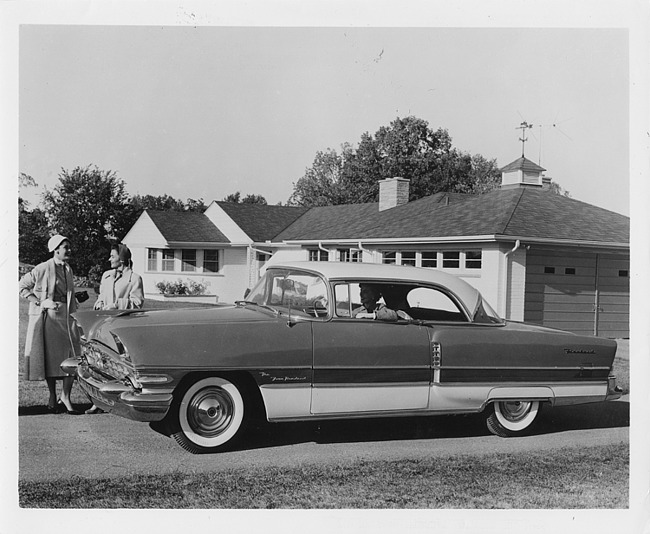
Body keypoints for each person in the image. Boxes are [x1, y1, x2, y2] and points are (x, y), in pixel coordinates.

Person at [19, 235, 83, 414]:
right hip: (51, 318)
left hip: (68, 317)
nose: (69, 250)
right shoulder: (43, 268)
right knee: (53, 358)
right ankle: (52, 396)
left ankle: (66, 396)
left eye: (69, 247)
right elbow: (22, 286)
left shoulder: (68, 269)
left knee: (71, 357)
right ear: (56, 250)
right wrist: (40, 302)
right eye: (65, 247)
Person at [86, 243, 144, 414]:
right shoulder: (106, 276)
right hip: (103, 325)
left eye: (112, 256)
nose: (109, 259)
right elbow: (101, 296)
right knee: (98, 361)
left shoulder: (135, 279)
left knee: (120, 364)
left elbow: (138, 303)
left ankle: (121, 401)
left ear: (122, 258)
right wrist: (99, 304)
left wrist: (117, 305)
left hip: (122, 327)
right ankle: (99, 402)